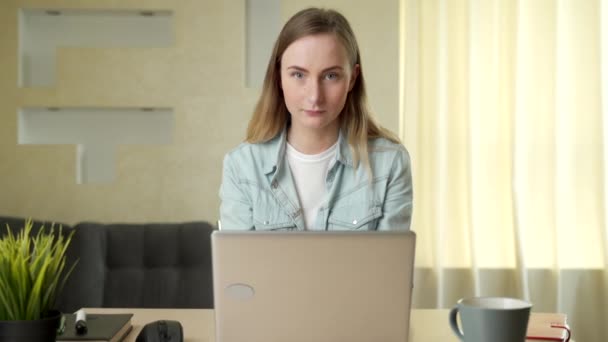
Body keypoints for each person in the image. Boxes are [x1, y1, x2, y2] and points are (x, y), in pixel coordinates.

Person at [219, 7, 412, 231]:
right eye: (298, 75)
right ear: (278, 77)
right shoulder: (241, 166)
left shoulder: (390, 164)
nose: (314, 96)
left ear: (352, 79)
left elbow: (389, 264)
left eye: (331, 76)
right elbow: (239, 264)